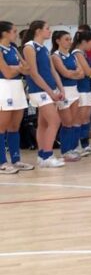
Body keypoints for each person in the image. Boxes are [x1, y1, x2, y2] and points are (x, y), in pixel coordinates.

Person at [22, 21, 65, 167]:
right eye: (47, 28)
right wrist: (50, 93)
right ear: (38, 31)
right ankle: (47, 155)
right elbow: (34, 73)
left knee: (43, 123)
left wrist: (60, 89)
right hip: (39, 90)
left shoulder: (45, 48)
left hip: (49, 89)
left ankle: (42, 156)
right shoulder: (29, 47)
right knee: (55, 121)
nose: (50, 31)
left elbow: (52, 71)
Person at [0, 21, 31, 173]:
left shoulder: (13, 48)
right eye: (14, 31)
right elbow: (6, 73)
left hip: (17, 86)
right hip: (4, 87)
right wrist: (18, 68)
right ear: (5, 33)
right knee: (2, 126)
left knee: (14, 126)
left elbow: (27, 69)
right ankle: (2, 162)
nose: (16, 34)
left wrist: (15, 68)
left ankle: (16, 159)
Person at [50, 30, 83, 162]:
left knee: (73, 121)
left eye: (70, 39)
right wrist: (74, 73)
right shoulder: (55, 56)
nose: (70, 42)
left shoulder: (73, 56)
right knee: (67, 122)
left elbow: (81, 73)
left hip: (74, 90)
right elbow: (65, 73)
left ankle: (71, 149)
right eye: (66, 39)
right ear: (58, 41)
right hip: (63, 91)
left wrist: (73, 73)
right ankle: (65, 151)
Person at [72, 31, 91, 155]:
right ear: (84, 42)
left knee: (86, 118)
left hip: (86, 88)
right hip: (80, 89)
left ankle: (85, 144)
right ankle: (76, 145)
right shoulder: (77, 53)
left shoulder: (83, 54)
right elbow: (88, 72)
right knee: (79, 118)